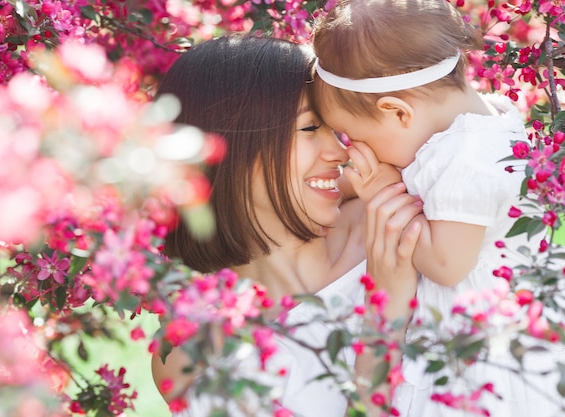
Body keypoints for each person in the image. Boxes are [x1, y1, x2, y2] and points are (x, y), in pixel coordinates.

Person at [311, 0, 565, 415]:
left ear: (397, 112)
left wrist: (381, 189)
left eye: (351, 135)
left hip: (471, 337)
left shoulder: (464, 163)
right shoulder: (484, 118)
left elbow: (447, 264)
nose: (352, 150)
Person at [150, 35, 424, 417]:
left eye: (333, 128)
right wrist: (386, 310)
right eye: (310, 129)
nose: (339, 152)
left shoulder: (398, 216)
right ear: (229, 148)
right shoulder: (195, 353)